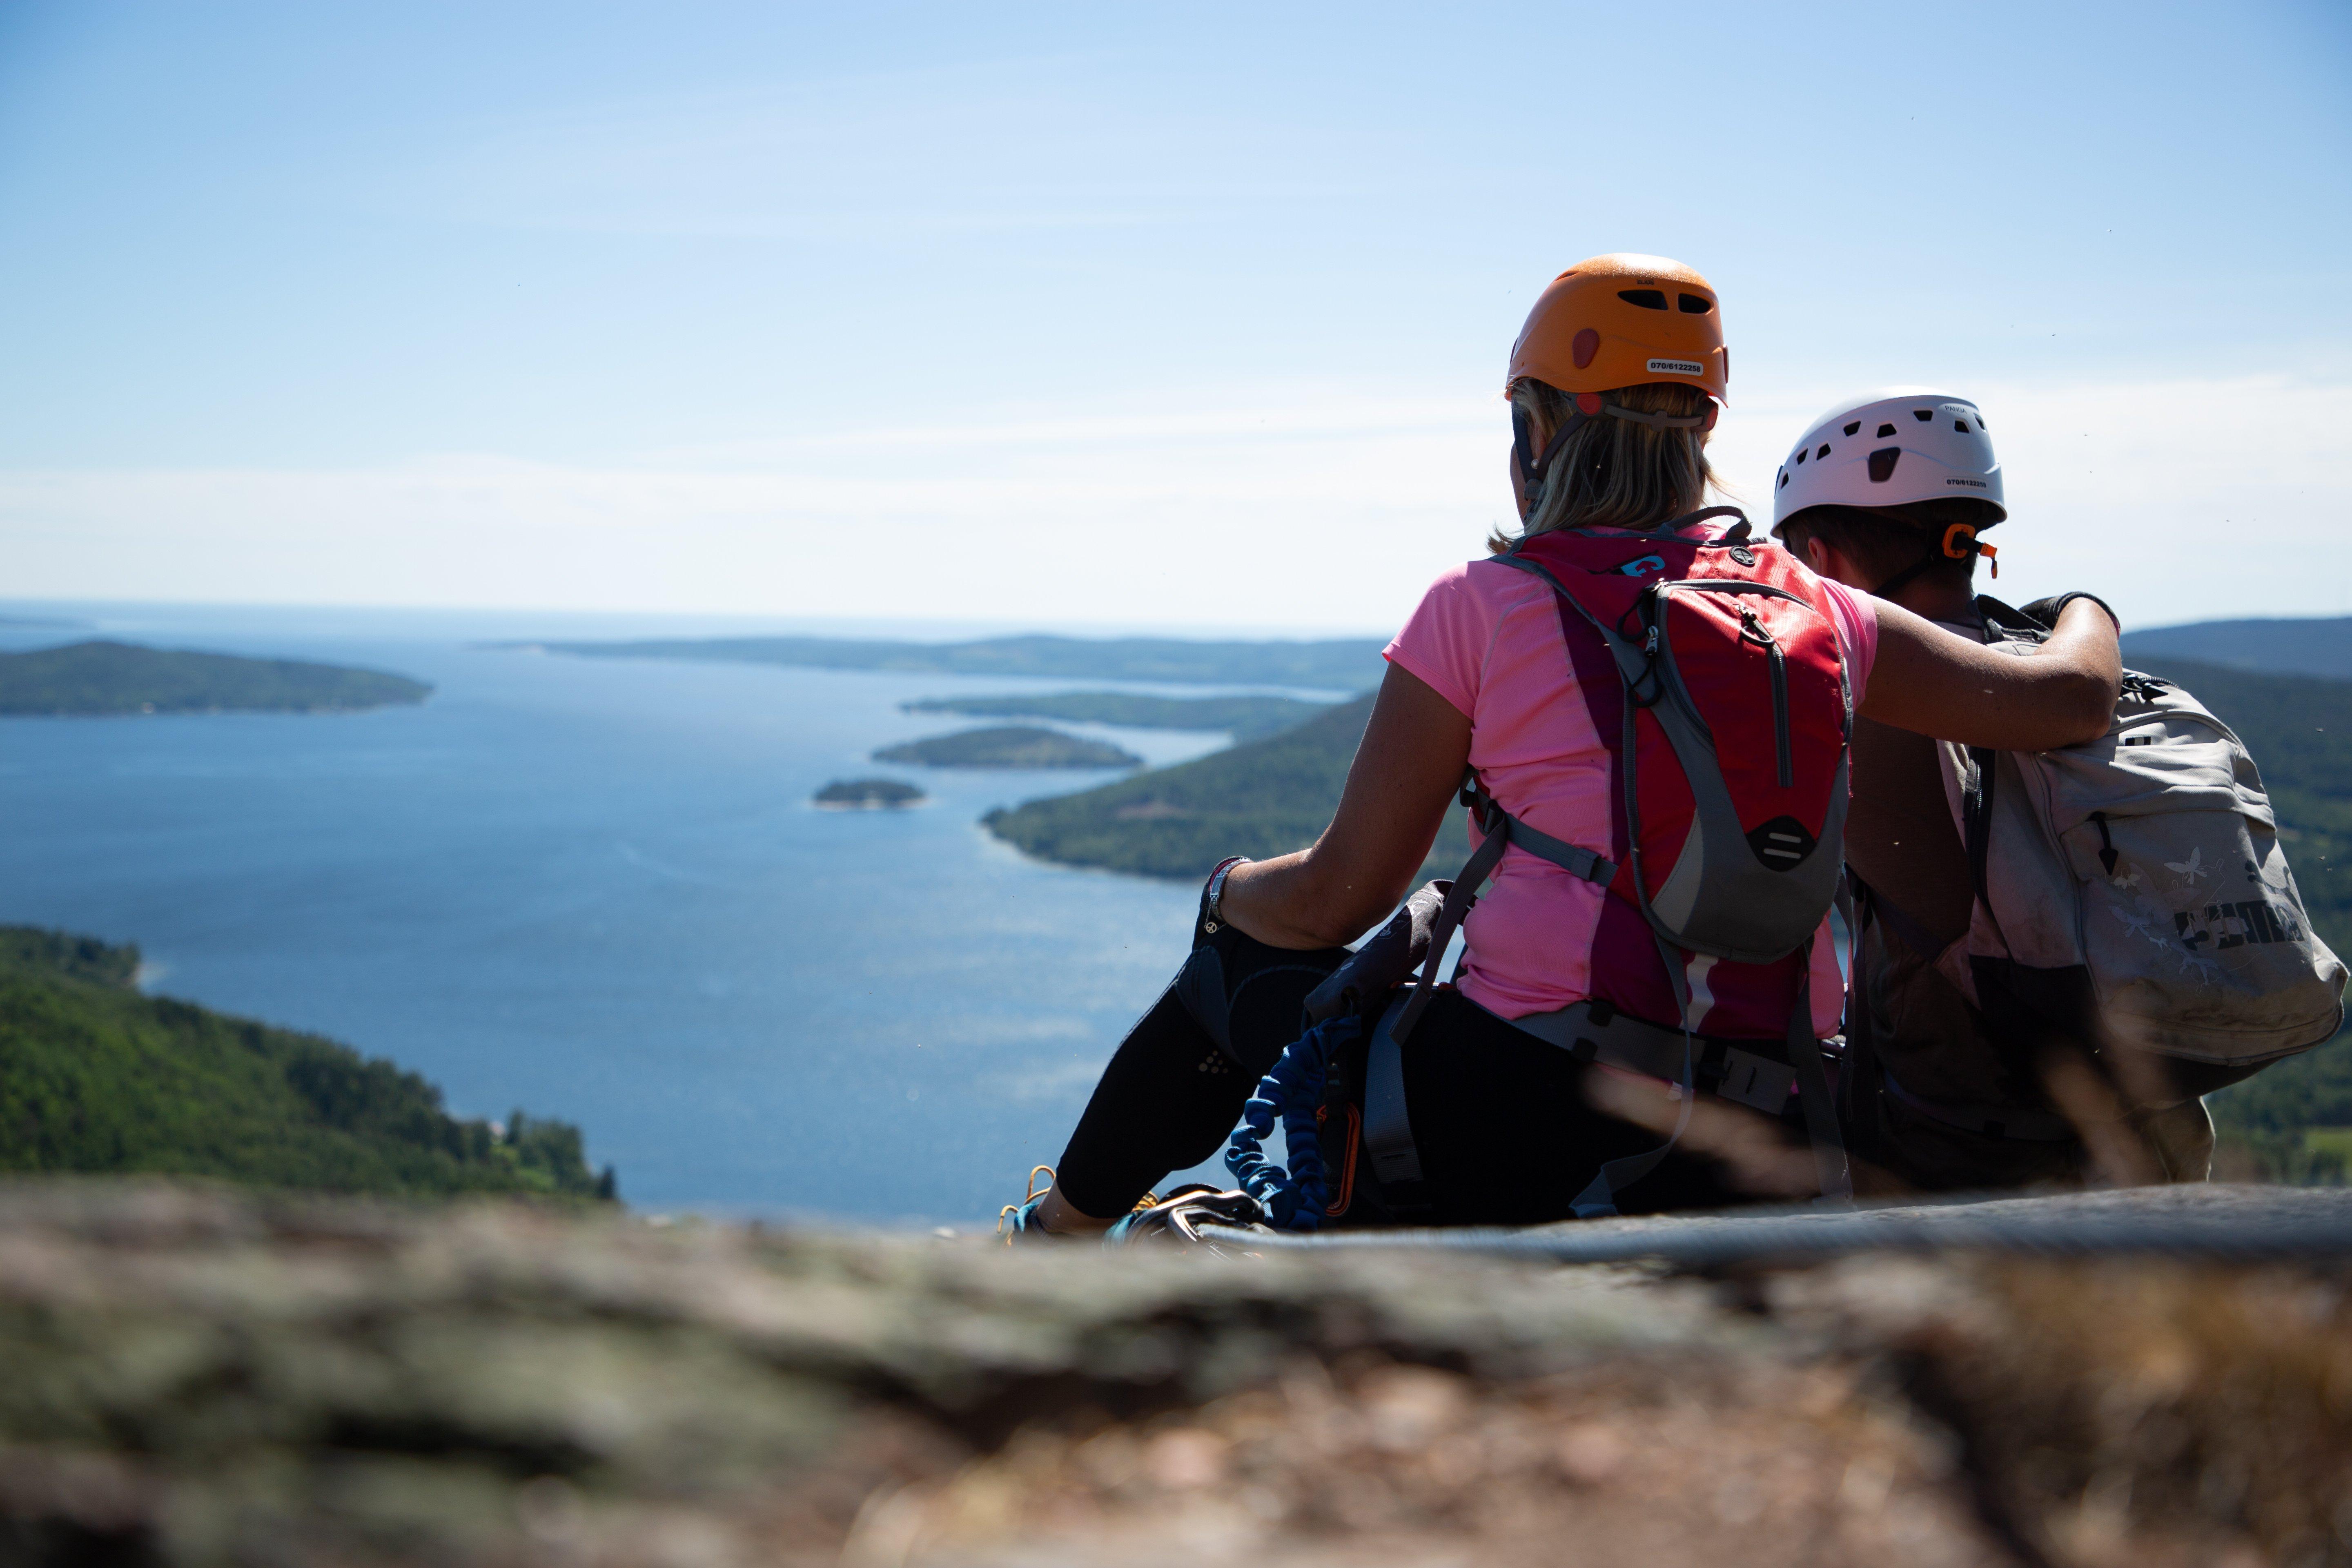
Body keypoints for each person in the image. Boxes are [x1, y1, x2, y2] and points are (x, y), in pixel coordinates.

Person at [1009, 256, 2125, 1237]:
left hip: (1516, 1108)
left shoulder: (1482, 605)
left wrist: (1231, 892)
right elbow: (2072, 697)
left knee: (1245, 954)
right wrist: (2084, 606)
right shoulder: (1818, 610)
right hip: (1770, 1121)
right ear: (1702, 432)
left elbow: (1337, 898)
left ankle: (1062, 1232)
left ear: (1538, 432)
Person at [1769, 391, 2253, 1190]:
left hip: (1967, 1164)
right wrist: (2085, 608)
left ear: (1821, 560)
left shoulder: (1864, 703)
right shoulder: (2039, 662)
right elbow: (2081, 692)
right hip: (2150, 1141)